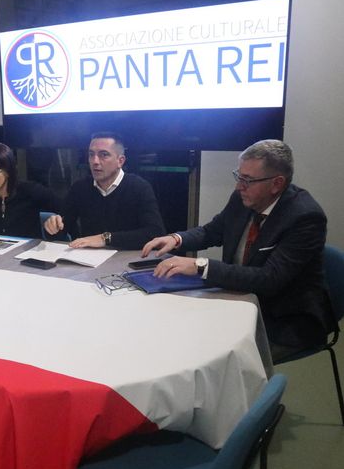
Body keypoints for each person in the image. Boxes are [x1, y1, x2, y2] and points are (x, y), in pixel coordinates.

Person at [141, 139, 336, 359]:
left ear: (277, 184)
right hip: (237, 302)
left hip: (283, 321)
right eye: (239, 177)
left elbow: (268, 280)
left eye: (248, 180)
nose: (239, 186)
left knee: (203, 352)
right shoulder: (244, 198)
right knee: (173, 328)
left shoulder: (305, 217)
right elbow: (212, 231)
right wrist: (176, 239)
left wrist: (200, 266)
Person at [43, 132, 165, 249]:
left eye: (104, 155)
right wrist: (53, 227)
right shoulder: (80, 188)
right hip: (88, 258)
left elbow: (155, 233)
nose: (95, 161)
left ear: (120, 161)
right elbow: (61, 232)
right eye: (91, 154)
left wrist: (105, 238)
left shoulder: (139, 187)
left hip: (127, 258)